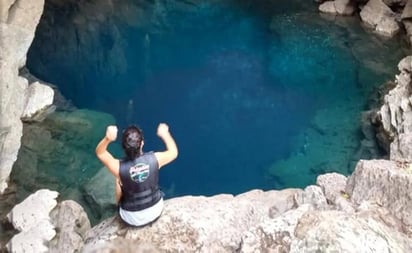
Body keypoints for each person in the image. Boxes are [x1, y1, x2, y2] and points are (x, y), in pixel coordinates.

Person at [95, 123, 178, 226]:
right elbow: (174, 152)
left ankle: (118, 204)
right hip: (155, 210)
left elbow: (100, 153)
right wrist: (165, 134)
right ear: (142, 143)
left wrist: (108, 138)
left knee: (118, 180)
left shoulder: (118, 167)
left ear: (123, 147)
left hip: (131, 217)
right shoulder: (155, 159)